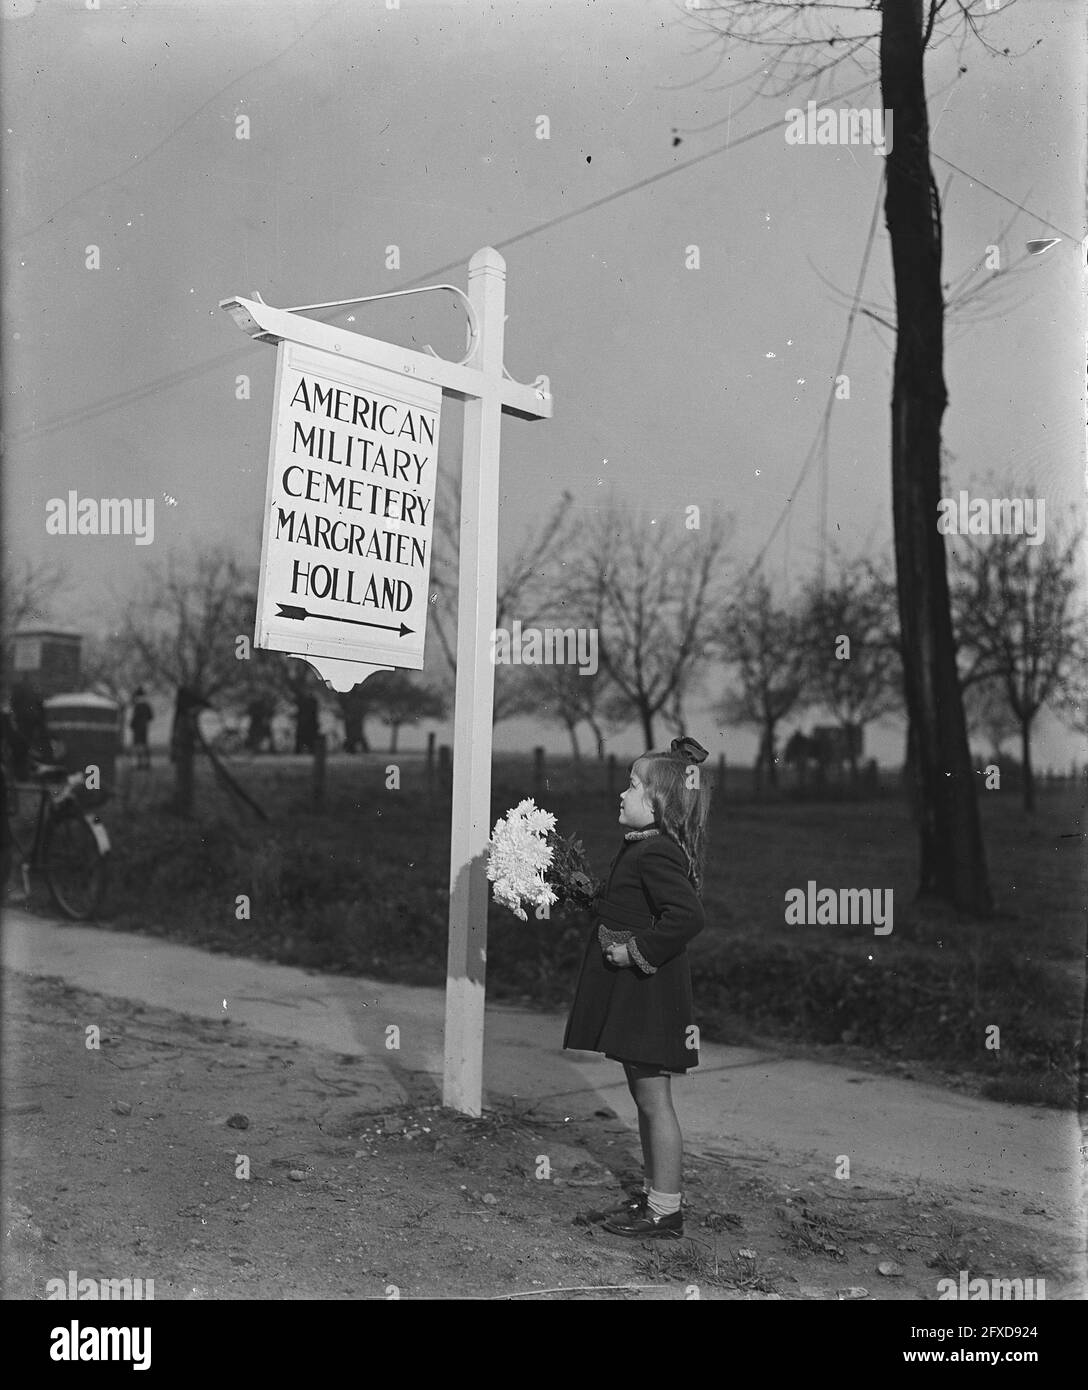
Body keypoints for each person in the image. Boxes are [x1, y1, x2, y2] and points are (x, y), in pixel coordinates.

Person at [563, 734, 712, 1239]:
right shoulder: (643, 847)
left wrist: (636, 951)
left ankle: (666, 1210)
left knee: (653, 1100)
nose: (621, 795)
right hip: (639, 995)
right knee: (644, 1095)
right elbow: (634, 907)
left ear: (658, 803)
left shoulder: (656, 854)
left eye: (631, 786)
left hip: (650, 994)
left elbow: (687, 916)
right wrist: (588, 895)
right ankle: (656, 1200)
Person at [130, 687, 153, 770]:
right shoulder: (147, 705)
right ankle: (147, 764)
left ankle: (140, 764)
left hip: (137, 729)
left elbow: (135, 718)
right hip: (145, 728)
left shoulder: (138, 706)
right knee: (145, 746)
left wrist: (132, 725)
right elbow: (151, 717)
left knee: (139, 746)